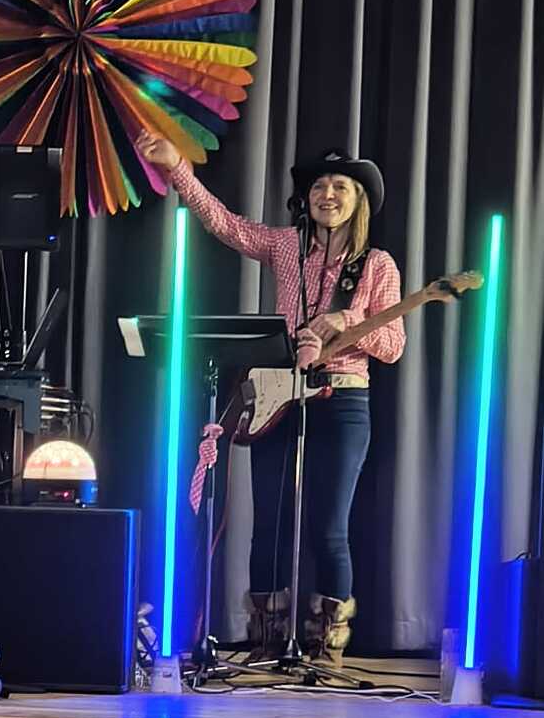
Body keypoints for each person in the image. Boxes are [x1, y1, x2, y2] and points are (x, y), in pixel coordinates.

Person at [137, 134, 450, 665]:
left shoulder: (377, 265)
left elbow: (393, 346)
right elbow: (225, 225)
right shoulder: (286, 247)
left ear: (358, 200)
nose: (327, 194)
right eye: (319, 186)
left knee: (330, 527)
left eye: (340, 186)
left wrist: (347, 320)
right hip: (279, 396)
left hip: (343, 399)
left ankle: (327, 644)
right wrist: (178, 168)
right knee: (269, 523)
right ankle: (269, 639)